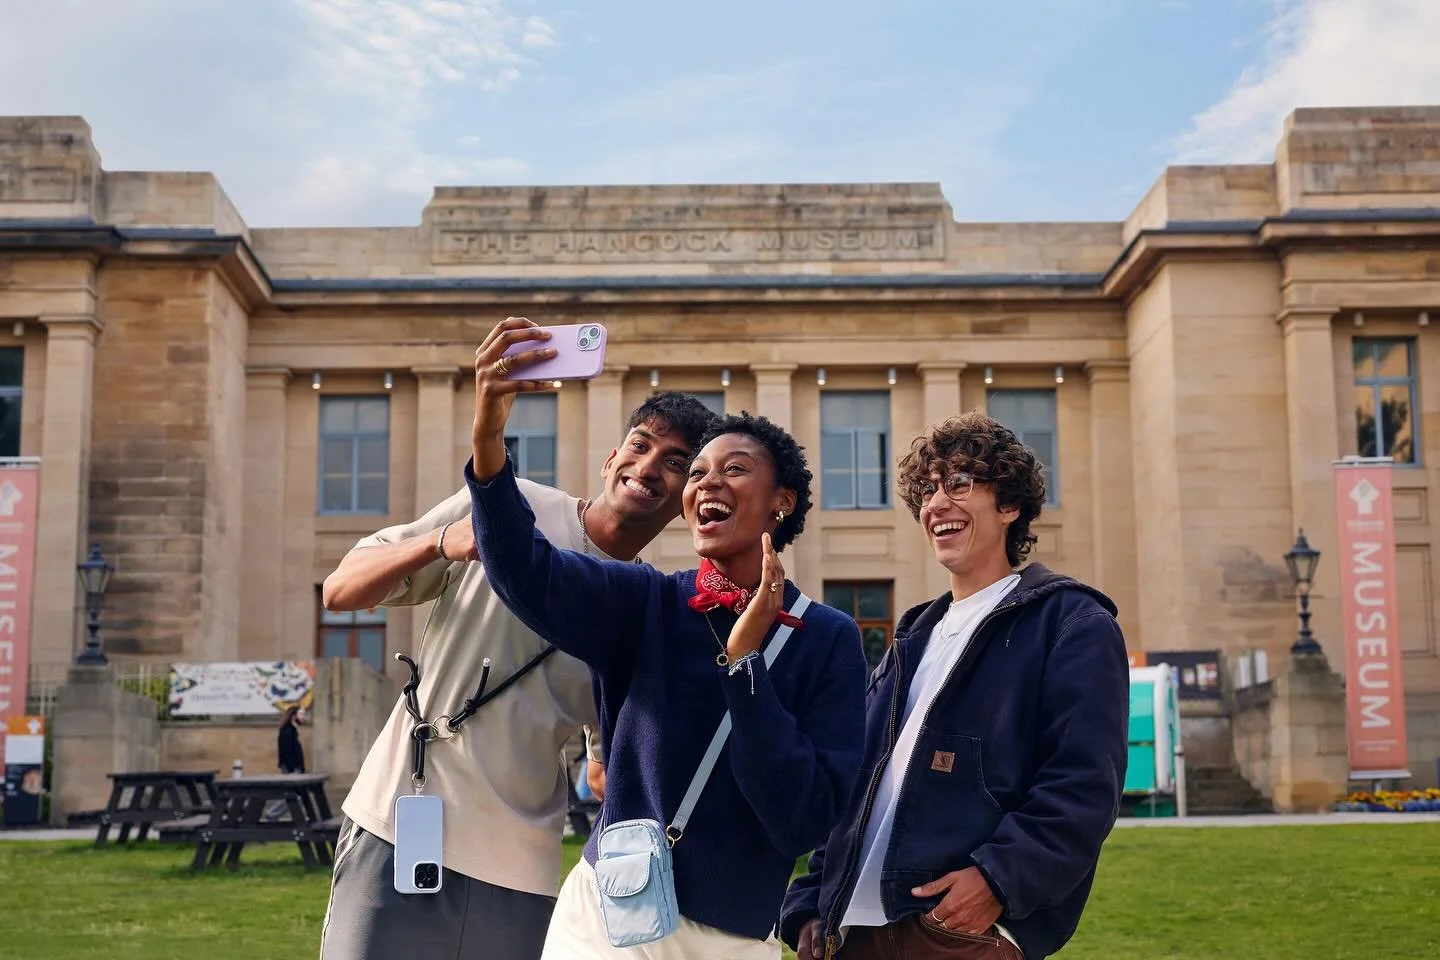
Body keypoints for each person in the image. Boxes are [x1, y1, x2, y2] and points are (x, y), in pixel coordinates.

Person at [317, 317, 718, 960]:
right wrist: (439, 542)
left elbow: (605, 763)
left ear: (688, 497)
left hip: (519, 861)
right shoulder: (514, 504)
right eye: (639, 446)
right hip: (401, 817)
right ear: (609, 458)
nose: (648, 468)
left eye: (676, 464)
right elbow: (341, 590)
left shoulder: (648, 608)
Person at [464, 330, 869, 960]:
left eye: (735, 469)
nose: (708, 482)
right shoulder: (648, 603)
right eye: (699, 472)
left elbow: (803, 819)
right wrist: (489, 447)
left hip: (730, 940)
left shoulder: (830, 639)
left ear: (781, 503)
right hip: (607, 916)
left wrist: (745, 666)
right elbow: (526, 572)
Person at [780, 412, 1130, 960]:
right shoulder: (912, 638)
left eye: (960, 485)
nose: (936, 504)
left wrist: (996, 880)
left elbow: (1083, 785)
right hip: (849, 935)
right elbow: (857, 786)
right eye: (928, 491)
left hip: (953, 935)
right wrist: (807, 904)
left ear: (1010, 506)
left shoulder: (1071, 622)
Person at [278, 705, 306, 774]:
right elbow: (286, 753)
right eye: (301, 714)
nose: (303, 717)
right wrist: (293, 769)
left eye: (304, 714)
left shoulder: (292, 731)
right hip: (292, 770)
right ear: (293, 716)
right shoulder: (287, 732)